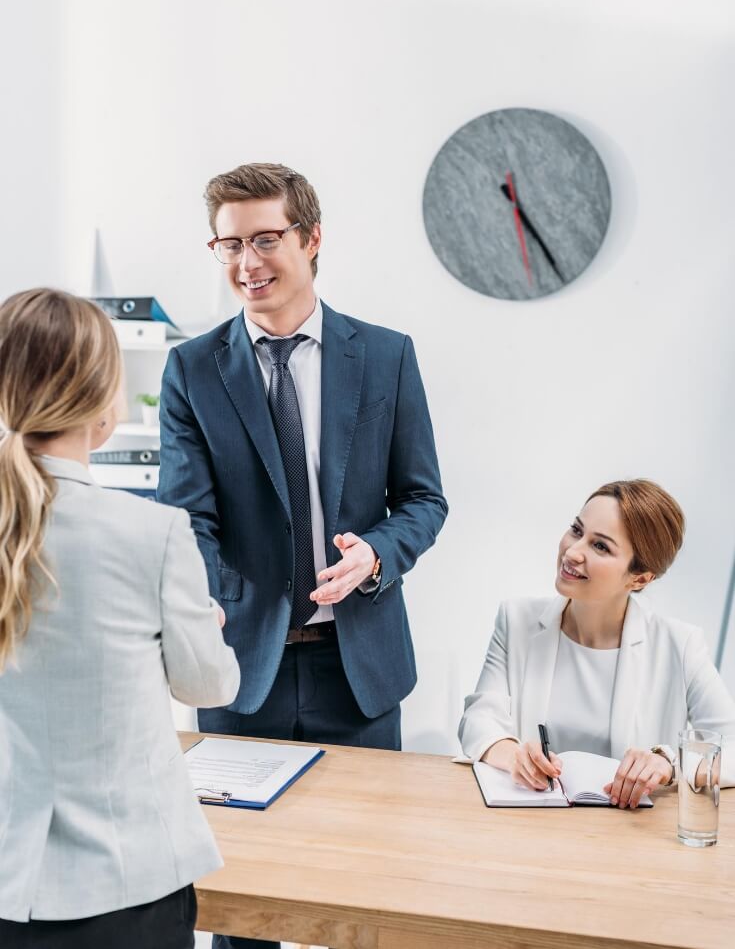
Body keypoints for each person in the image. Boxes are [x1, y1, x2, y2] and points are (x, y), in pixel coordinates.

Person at [158, 162, 448, 949]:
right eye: (227, 245)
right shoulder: (190, 368)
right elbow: (186, 517)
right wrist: (209, 594)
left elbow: (423, 500)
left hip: (356, 672)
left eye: (264, 240)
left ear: (311, 239)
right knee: (239, 909)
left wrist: (377, 556)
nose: (246, 263)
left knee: (361, 903)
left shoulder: (385, 356)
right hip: (237, 673)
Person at [0, 288, 240, 948]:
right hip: (127, 886)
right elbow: (210, 688)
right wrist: (198, 626)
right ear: (104, 402)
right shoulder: (153, 532)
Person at [459, 479, 735, 808]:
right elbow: (479, 719)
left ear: (640, 578)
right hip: (529, 827)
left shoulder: (680, 645)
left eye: (600, 547)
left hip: (626, 841)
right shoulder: (516, 620)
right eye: (577, 530)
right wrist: (512, 754)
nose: (573, 552)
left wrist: (667, 763)